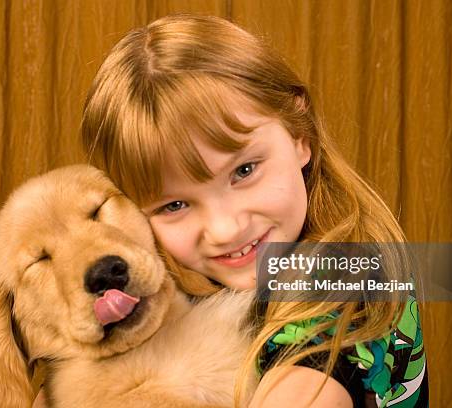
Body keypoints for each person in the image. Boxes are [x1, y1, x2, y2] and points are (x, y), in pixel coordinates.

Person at [76, 14, 428, 408]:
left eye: (244, 171)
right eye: (174, 205)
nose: (226, 228)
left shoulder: (348, 277)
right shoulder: (177, 289)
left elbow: (307, 384)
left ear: (300, 134)